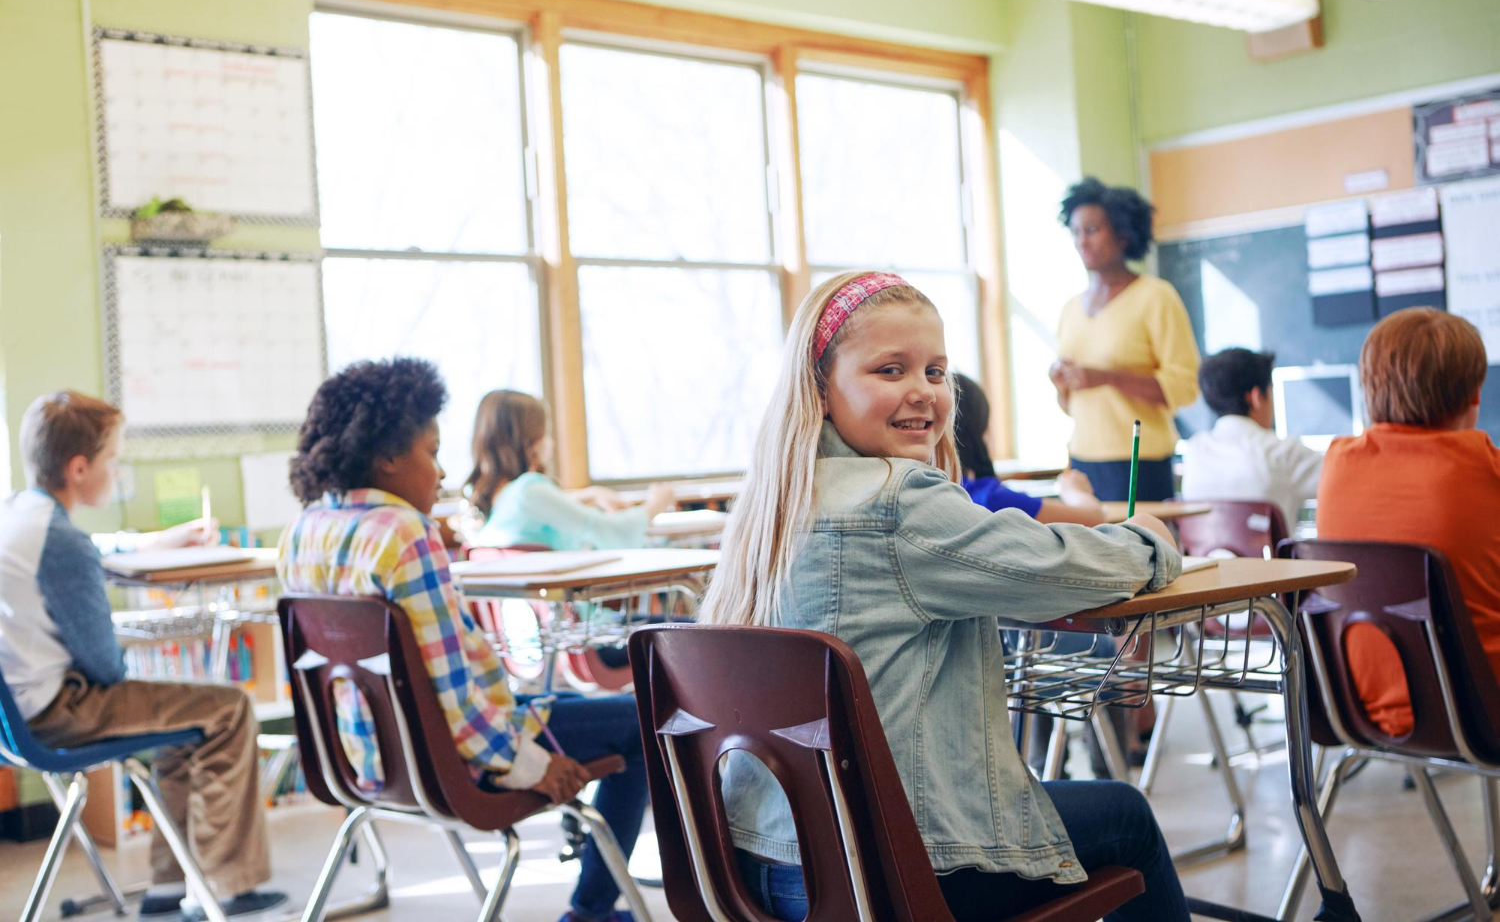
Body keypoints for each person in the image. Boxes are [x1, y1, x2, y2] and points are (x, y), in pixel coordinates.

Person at [703, 271, 1189, 921]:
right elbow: (1057, 569)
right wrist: (1147, 540)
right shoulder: (897, 500)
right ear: (820, 387)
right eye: (889, 369)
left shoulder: (772, 506)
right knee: (1125, 815)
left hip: (756, 865)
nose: (922, 393)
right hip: (897, 873)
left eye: (936, 371)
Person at [278, 360, 647, 922]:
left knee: (574, 708)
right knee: (638, 724)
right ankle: (591, 911)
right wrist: (528, 765)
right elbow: (448, 692)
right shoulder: (406, 536)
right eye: (431, 452)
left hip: (361, 761)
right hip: (449, 762)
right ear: (387, 459)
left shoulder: (302, 533)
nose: (442, 471)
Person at [0, 391, 285, 921]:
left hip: (13, 718)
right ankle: (226, 886)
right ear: (80, 468)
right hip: (58, 712)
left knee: (183, 718)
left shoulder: (18, 514)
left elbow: (96, 546)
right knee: (227, 708)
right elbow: (106, 668)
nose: (118, 471)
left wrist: (160, 541)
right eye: (113, 460)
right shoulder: (61, 544)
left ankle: (169, 886)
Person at [1317, 308, 1500, 738]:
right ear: (1475, 394)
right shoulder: (1487, 469)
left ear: (1369, 388)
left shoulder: (1337, 463)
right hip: (1482, 712)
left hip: (1356, 708)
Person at [1050, 177, 1200, 502]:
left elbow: (1185, 387)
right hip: (1081, 459)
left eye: (1091, 230)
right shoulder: (1070, 308)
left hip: (1139, 461)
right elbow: (1071, 405)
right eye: (1075, 232)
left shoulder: (1156, 297)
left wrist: (1107, 378)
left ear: (1122, 234)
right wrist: (1061, 384)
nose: (1081, 242)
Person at [466, 389, 676, 550]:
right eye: (544, 432)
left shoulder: (499, 499)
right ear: (529, 442)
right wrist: (655, 505)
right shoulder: (529, 491)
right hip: (575, 607)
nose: (551, 441)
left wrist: (588, 495)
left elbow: (531, 511)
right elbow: (610, 531)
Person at [1181, 347, 1323, 531]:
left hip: (1207, 560)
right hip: (1272, 560)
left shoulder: (1194, 450)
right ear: (1256, 397)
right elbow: (1342, 479)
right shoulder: (1281, 451)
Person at [953, 372, 1105, 525]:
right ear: (979, 429)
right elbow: (1094, 517)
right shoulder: (991, 498)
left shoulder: (943, 492)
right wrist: (1073, 490)